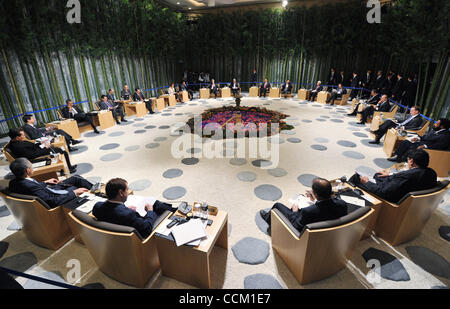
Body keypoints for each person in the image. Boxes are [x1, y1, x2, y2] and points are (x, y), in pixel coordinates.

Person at [259, 178, 348, 235]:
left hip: (304, 235)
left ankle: (267, 217)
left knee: (277, 205)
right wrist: (316, 199)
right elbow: (326, 207)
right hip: (328, 232)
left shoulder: (308, 211)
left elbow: (296, 225)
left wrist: (295, 211)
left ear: (316, 194)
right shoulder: (342, 204)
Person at [92, 178, 174, 239]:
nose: (128, 192)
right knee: (156, 205)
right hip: (140, 238)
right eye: (127, 190)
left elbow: (113, 214)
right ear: (121, 193)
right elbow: (147, 229)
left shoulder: (97, 207)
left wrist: (125, 209)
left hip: (116, 236)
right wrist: (150, 211)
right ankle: (175, 213)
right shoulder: (128, 214)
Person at [348, 149, 437, 204]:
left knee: (357, 177)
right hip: (405, 193)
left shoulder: (406, 176)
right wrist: (391, 174)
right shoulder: (432, 173)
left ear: (411, 161)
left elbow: (383, 192)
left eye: (408, 160)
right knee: (378, 175)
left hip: (391, 198)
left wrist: (367, 182)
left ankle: (348, 197)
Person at [8, 158, 92, 208]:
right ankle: (97, 192)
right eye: (31, 166)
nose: (32, 167)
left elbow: (33, 188)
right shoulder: (30, 186)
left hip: (48, 191)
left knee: (75, 178)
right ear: (28, 170)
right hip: (55, 197)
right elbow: (53, 202)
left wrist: (45, 182)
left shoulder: (13, 182)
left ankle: (95, 189)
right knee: (77, 184)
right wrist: (74, 192)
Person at [8, 129, 77, 173]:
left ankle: (66, 167)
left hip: (36, 150)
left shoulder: (18, 141)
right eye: (23, 135)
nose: (24, 136)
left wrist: (41, 144)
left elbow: (31, 145)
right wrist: (45, 147)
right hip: (34, 158)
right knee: (61, 151)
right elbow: (32, 155)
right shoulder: (18, 147)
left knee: (56, 148)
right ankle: (68, 168)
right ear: (17, 138)